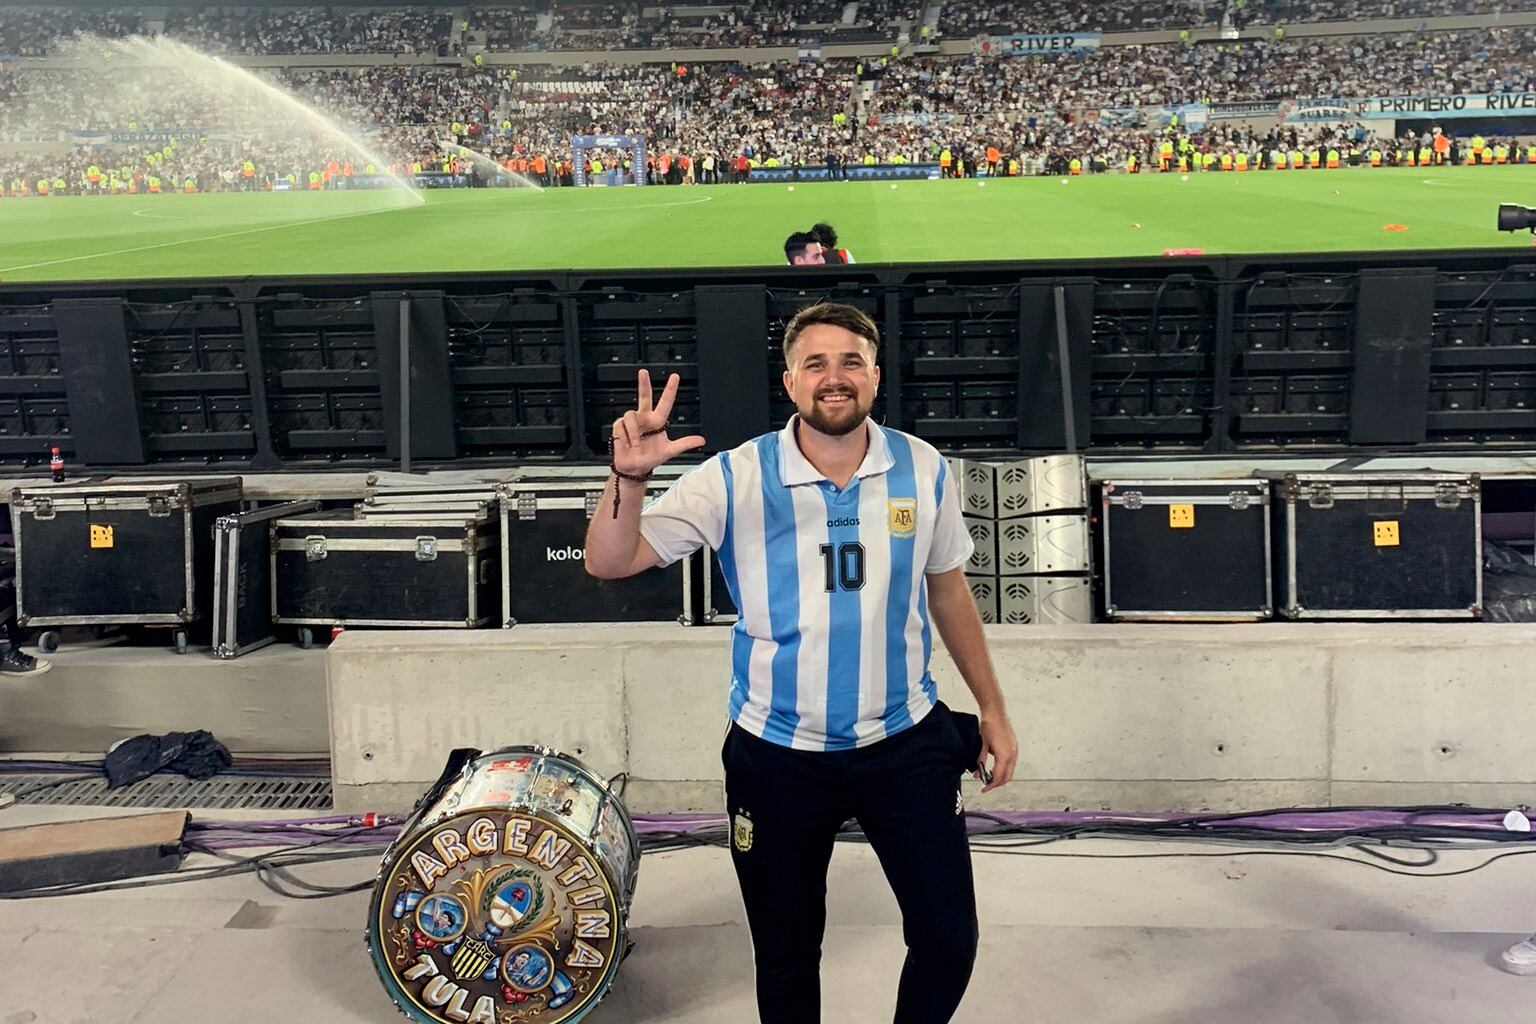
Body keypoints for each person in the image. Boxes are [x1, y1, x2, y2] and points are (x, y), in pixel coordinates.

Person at [584, 302, 1019, 1024]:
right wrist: (628, 480)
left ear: (876, 376)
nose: (835, 378)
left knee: (949, 939)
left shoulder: (922, 466)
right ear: (789, 382)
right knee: (787, 957)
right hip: (777, 755)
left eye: (851, 361)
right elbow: (610, 560)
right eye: (815, 363)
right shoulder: (733, 477)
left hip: (905, 743)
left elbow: (947, 588)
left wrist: (994, 709)